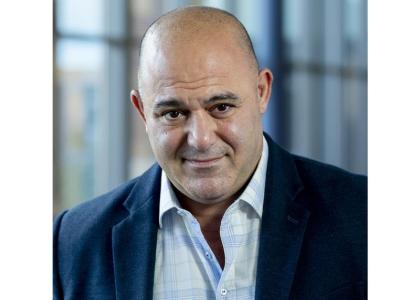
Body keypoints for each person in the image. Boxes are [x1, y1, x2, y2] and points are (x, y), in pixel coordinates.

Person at [54, 6, 367, 300]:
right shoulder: (73, 243)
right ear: (142, 111)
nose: (201, 140)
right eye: (173, 113)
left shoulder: (364, 215)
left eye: (221, 107)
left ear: (262, 92)